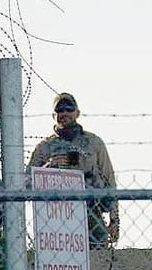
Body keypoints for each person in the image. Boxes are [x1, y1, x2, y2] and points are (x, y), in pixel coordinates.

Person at [28, 92, 119, 249]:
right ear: (53, 115)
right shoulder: (44, 147)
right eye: (59, 110)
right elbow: (26, 183)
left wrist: (114, 220)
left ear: (77, 113)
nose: (64, 113)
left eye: (69, 109)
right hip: (56, 216)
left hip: (91, 212)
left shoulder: (93, 143)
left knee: (98, 259)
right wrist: (48, 168)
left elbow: (109, 179)